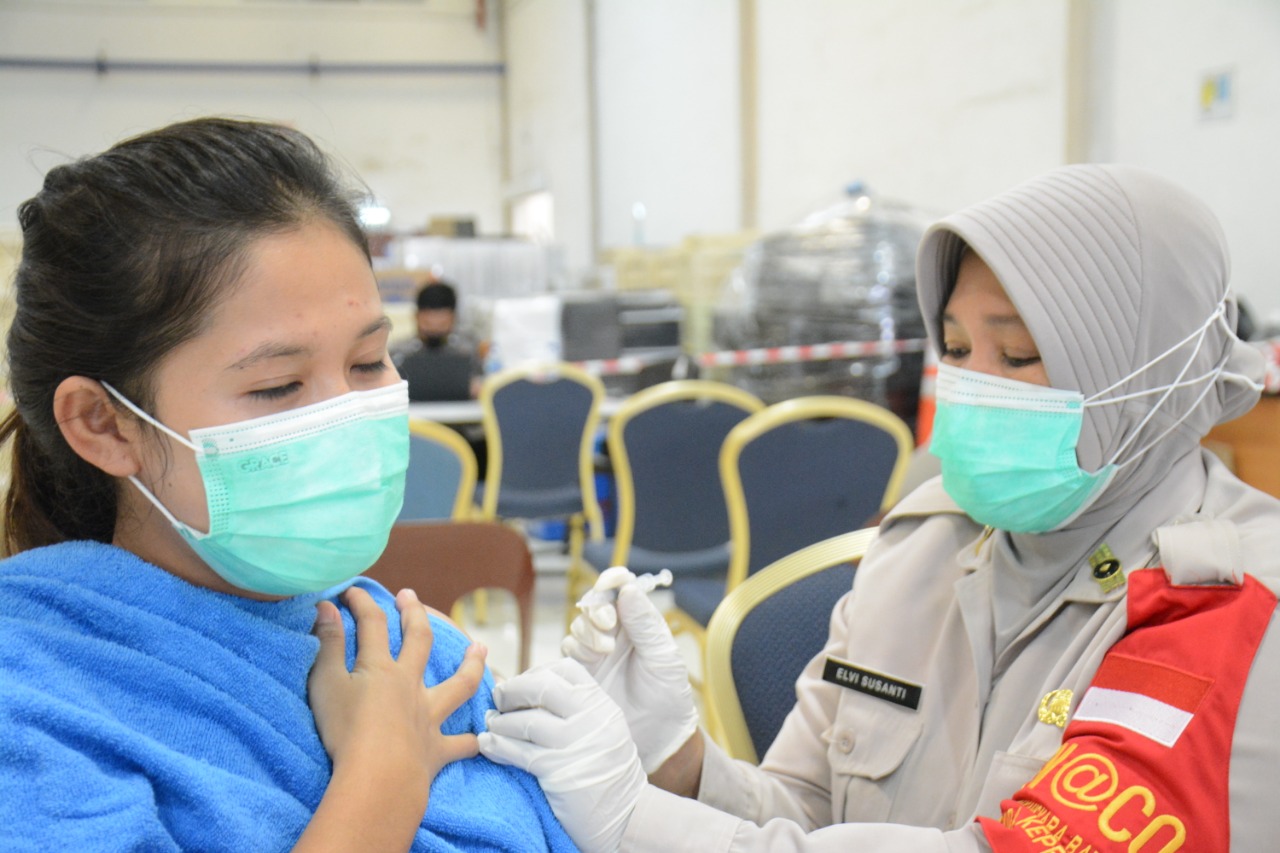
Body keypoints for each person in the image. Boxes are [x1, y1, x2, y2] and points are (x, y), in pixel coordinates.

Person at [477, 165, 1280, 851]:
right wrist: (674, 759)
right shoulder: (920, 550)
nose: (972, 388)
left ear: (1153, 373)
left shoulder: (1227, 604)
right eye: (956, 349)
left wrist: (636, 821)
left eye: (1019, 354)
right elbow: (801, 810)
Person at [0, 117, 575, 852]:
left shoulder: (405, 644)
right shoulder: (33, 706)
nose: (345, 416)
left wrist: (662, 778)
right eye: (277, 386)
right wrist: (382, 781)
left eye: (368, 362)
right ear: (104, 424)